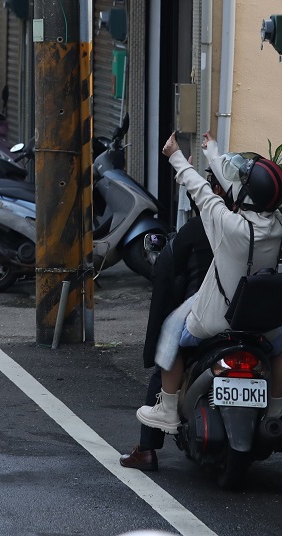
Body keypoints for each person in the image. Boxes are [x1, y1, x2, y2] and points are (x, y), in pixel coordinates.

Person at [136, 133, 282, 441]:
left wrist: (175, 156)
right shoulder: (278, 224)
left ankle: (168, 408)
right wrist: (213, 152)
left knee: (171, 330)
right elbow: (238, 188)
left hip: (214, 320)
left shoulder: (227, 225)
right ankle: (276, 411)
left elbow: (199, 189)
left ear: (245, 194)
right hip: (261, 321)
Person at [120, 191, 213, 472]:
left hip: (204, 318)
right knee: (269, 354)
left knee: (166, 359)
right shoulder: (257, 225)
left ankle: (147, 449)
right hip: (247, 315)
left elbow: (165, 269)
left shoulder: (201, 227)